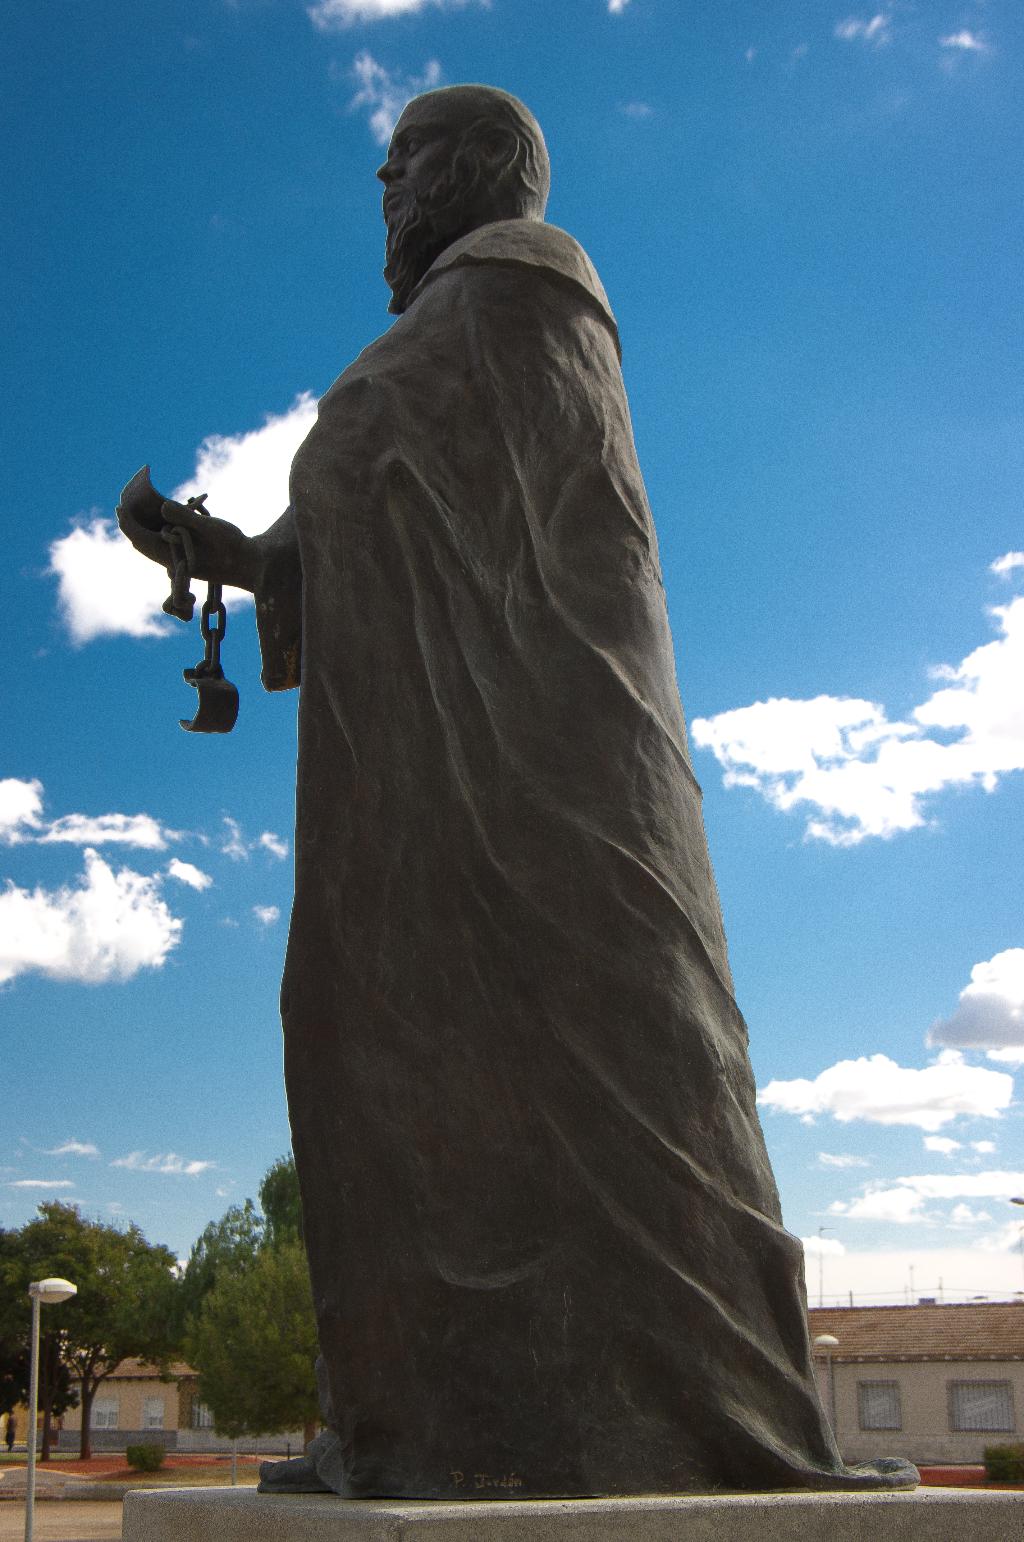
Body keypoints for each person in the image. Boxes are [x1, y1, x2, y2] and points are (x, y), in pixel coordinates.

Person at [117, 85, 915, 1500]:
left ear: (481, 167)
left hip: (552, 761)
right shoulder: (456, 319)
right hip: (428, 781)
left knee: (632, 1050)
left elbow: (526, 522)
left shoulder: (531, 290)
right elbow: (376, 506)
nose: (384, 189)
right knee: (382, 1039)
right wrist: (233, 554)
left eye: (405, 164)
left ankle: (719, 1409)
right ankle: (421, 1416)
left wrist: (305, 527)